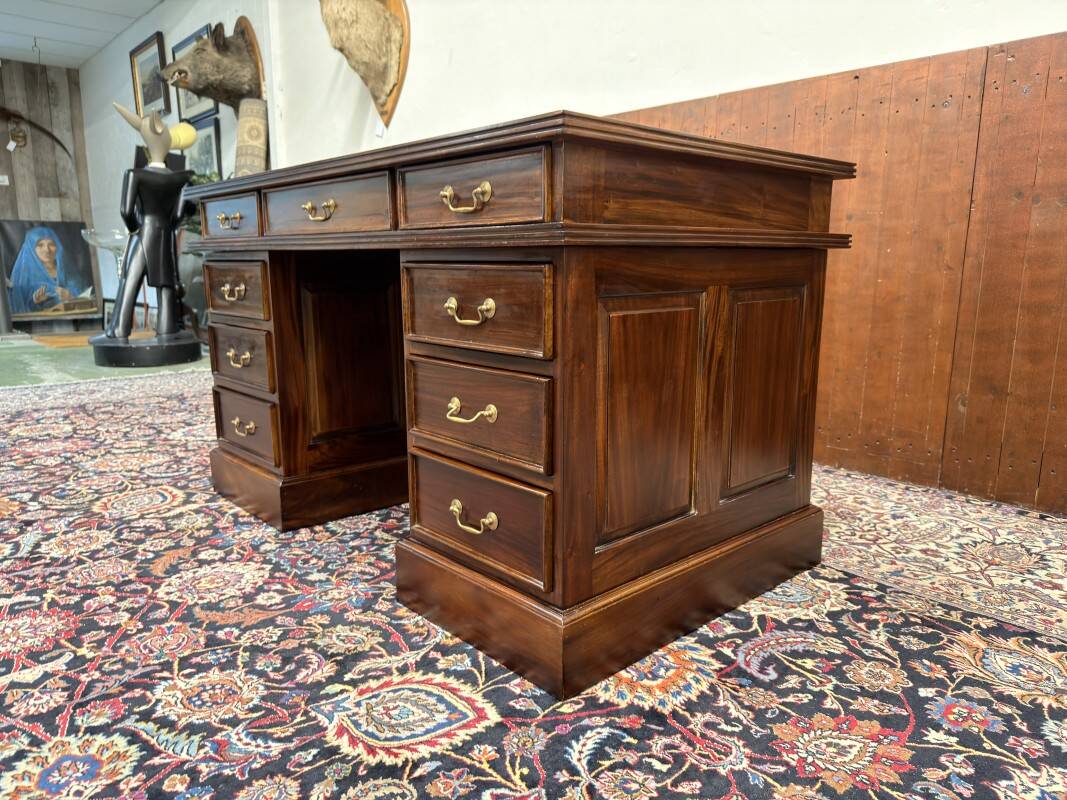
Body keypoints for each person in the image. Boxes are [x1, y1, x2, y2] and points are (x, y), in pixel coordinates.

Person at [8, 227, 84, 313]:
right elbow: (18, 308)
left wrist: (70, 296)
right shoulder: (23, 276)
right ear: (31, 249)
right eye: (40, 245)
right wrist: (35, 302)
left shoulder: (68, 271)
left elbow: (84, 294)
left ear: (57, 247)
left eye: (51, 244)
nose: (47, 250)